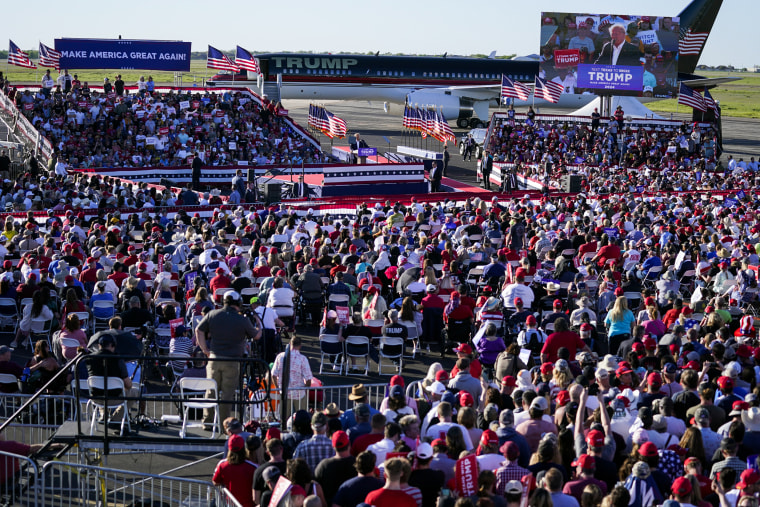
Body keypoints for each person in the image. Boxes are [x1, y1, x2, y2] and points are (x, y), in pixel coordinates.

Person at [195, 291, 259, 426]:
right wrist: (258, 324)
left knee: (211, 391)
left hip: (214, 359)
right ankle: (225, 425)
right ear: (238, 303)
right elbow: (256, 336)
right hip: (232, 361)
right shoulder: (242, 320)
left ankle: (207, 422)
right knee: (227, 395)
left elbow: (198, 330)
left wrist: (205, 350)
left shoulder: (213, 314)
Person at [85, 333, 141, 422]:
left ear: (99, 346)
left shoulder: (89, 358)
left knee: (100, 387)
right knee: (136, 392)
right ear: (113, 345)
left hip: (96, 398)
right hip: (115, 397)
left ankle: (104, 414)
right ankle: (116, 418)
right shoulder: (118, 360)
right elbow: (128, 385)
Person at [212, 434, 256, 507]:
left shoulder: (222, 464)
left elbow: (215, 482)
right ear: (243, 448)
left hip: (229, 503)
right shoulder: (253, 467)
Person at [314, 430, 357, 505]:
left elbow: (316, 488)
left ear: (333, 446)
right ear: (349, 444)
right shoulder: (358, 464)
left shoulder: (323, 465)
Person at [272, 335, 313, 402]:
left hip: (284, 392)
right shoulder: (303, 359)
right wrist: (304, 390)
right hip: (299, 394)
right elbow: (308, 380)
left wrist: (277, 389)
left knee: (284, 412)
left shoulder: (280, 356)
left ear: (290, 344)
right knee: (301, 412)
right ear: (300, 346)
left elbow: (273, 375)